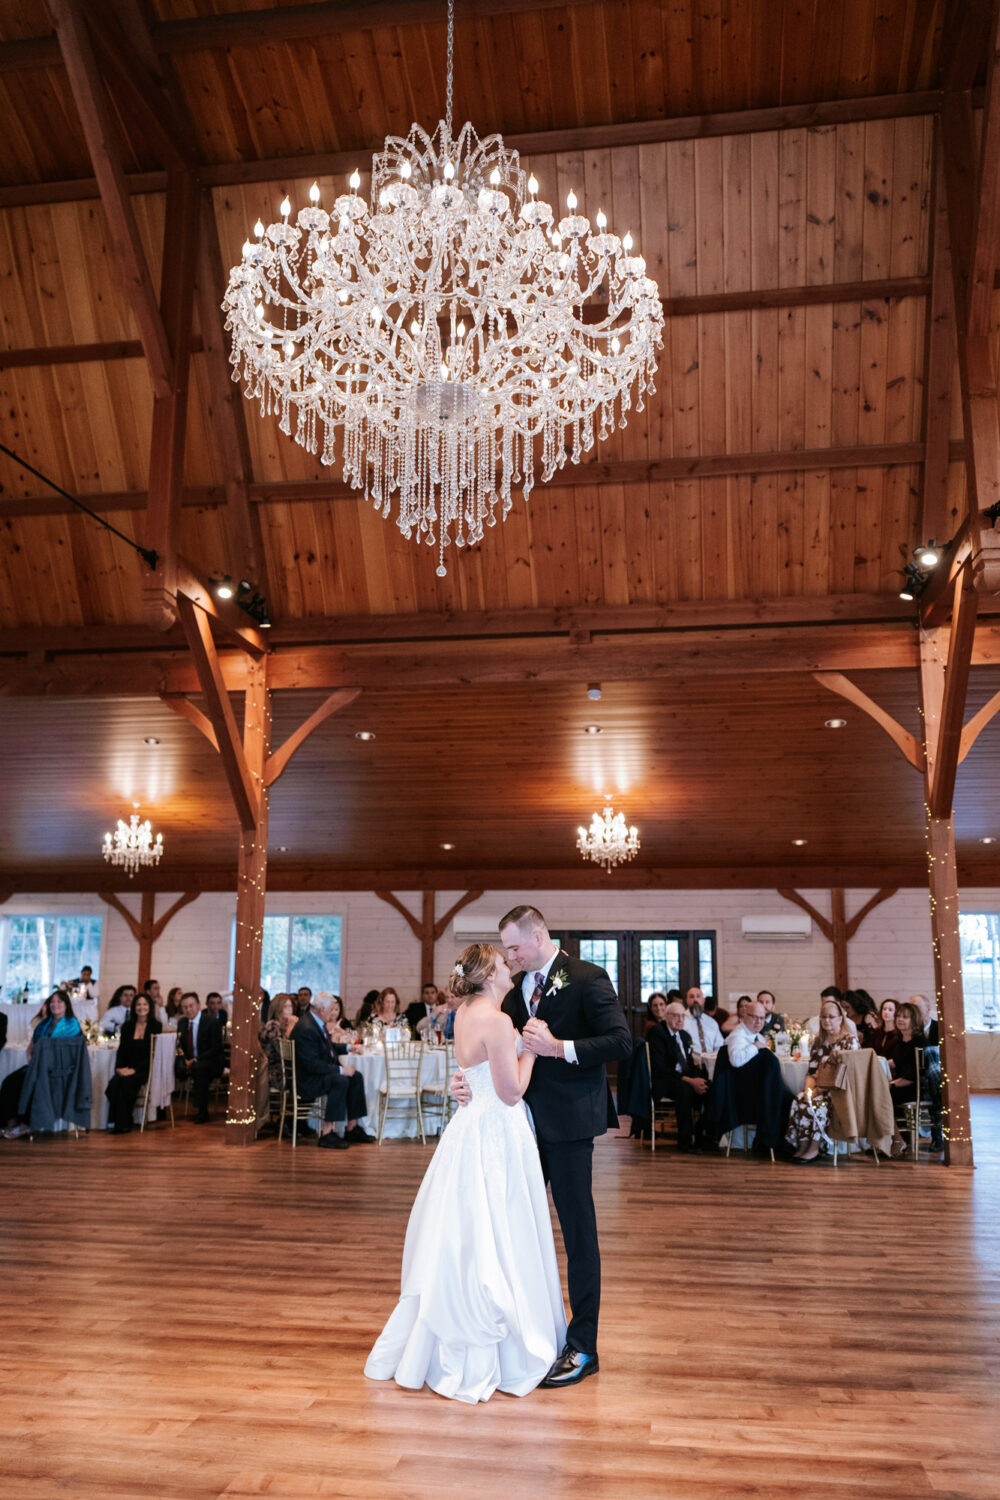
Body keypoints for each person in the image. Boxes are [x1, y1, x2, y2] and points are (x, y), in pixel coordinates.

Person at [366, 943, 566, 1403]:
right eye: (501, 961)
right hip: (498, 1128)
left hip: (471, 1126)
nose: (509, 965)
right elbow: (512, 1091)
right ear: (488, 974)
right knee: (500, 1223)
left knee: (469, 1228)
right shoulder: (497, 1021)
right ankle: (503, 1337)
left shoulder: (464, 1014)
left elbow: (472, 1072)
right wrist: (532, 1049)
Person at [451, 905, 631, 1388]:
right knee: (513, 1228)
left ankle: (583, 1344)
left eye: (513, 947)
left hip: (570, 1126)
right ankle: (519, 1333)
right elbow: (494, 1050)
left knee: (578, 1234)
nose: (508, 957)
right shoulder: (512, 993)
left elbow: (620, 1041)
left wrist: (560, 1048)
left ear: (539, 936)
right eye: (504, 949)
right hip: (516, 1127)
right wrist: (463, 1080)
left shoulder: (589, 977)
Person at [291, 994, 372, 1149]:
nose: (334, 1012)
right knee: (340, 1080)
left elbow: (325, 1048)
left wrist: (349, 1048)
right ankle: (327, 1133)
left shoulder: (315, 1022)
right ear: (321, 1009)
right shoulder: (307, 1028)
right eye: (331, 1009)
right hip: (307, 1080)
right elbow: (312, 1064)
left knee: (355, 1076)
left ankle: (352, 1128)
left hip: (316, 1074)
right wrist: (341, 1069)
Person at [785, 998, 860, 1162]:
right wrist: (808, 1091)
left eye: (831, 1017)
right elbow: (811, 1073)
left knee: (820, 1103)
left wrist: (822, 1090)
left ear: (840, 1019)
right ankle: (803, 1145)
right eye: (823, 1017)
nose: (827, 1021)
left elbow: (851, 1074)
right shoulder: (819, 1042)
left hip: (841, 1091)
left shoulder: (849, 1041)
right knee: (801, 1100)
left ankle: (815, 1147)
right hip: (820, 1088)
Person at [1, 991, 83, 1137]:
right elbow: (30, 1047)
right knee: (10, 1081)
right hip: (38, 1067)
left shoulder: (72, 1025)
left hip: (61, 1071)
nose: (55, 1005)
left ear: (66, 1005)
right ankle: (10, 1123)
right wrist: (32, 1063)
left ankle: (26, 1125)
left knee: (32, 1083)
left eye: (59, 1002)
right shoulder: (44, 1024)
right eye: (52, 1002)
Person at [721, 997, 794, 1155]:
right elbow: (735, 1060)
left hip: (758, 1088)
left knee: (789, 1098)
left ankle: (774, 1142)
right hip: (742, 1094)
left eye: (762, 1018)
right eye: (754, 1017)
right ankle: (769, 1142)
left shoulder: (758, 1036)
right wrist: (755, 1047)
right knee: (779, 1096)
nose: (758, 1022)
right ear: (744, 1017)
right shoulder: (738, 1036)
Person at [648, 999, 711, 1152]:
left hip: (683, 1078)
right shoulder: (657, 1033)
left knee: (711, 1086)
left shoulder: (684, 1036)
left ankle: (704, 1136)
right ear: (666, 1016)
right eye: (676, 1016)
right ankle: (685, 1142)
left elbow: (688, 1064)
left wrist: (699, 1079)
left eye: (683, 1016)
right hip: (664, 1081)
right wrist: (691, 1081)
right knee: (685, 1090)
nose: (680, 1019)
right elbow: (661, 1068)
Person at [105, 993, 162, 1134]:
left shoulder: (156, 1026)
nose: (141, 1007)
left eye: (144, 1004)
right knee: (113, 1085)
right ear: (133, 1007)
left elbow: (153, 1055)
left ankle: (122, 1124)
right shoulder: (127, 1026)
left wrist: (134, 1070)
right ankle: (122, 1120)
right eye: (138, 1004)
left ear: (150, 1007)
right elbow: (122, 1051)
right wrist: (119, 1068)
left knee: (125, 1083)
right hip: (127, 1068)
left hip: (146, 1068)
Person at [174, 992, 225, 1124]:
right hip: (190, 1061)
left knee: (199, 1068)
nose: (188, 1010)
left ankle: (202, 1111)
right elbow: (179, 1045)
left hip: (211, 1061)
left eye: (191, 1006)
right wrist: (183, 1059)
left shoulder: (211, 1022)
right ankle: (162, 1110)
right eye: (185, 1007)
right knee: (170, 1065)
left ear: (198, 1005)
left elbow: (216, 1048)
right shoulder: (182, 1023)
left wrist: (195, 1060)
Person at [255, 993, 297, 1135]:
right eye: (285, 1006)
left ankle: (296, 1121)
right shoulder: (272, 1026)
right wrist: (291, 1028)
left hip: (285, 1069)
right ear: (278, 1009)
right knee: (299, 1080)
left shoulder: (288, 1026)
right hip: (274, 1072)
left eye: (290, 1006)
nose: (289, 1009)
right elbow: (283, 1052)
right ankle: (286, 1120)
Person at [887, 1001, 923, 1111]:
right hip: (899, 1084)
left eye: (905, 1017)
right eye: (898, 1016)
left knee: (878, 1094)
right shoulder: (900, 1041)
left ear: (914, 1020)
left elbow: (913, 1076)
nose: (900, 1019)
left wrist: (890, 1084)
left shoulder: (920, 1043)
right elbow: (897, 1061)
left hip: (912, 1088)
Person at [683, 988, 724, 1054]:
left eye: (698, 996)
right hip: (690, 1062)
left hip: (711, 1061)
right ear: (687, 1000)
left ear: (703, 1000)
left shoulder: (712, 1022)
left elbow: (719, 1046)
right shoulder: (681, 1021)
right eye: (691, 997)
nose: (695, 1000)